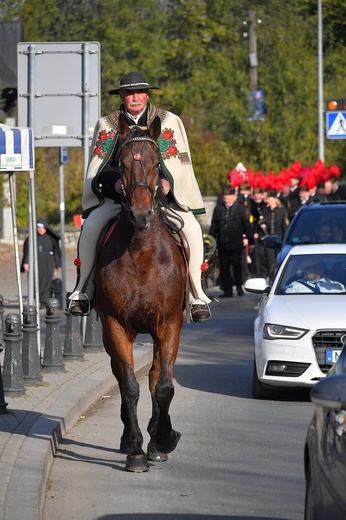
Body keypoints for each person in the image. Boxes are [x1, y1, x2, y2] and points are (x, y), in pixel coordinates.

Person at [66, 71, 211, 322]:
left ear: (147, 95)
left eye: (139, 92)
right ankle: (83, 290)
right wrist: (118, 184)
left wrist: (167, 182)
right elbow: (100, 168)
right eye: (129, 93)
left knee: (192, 229)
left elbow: (178, 164)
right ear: (121, 96)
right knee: (90, 227)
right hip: (119, 198)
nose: (135, 97)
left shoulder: (168, 121)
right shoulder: (107, 124)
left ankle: (197, 293)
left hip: (161, 200)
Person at [209, 186, 254, 298]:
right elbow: (214, 226)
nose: (226, 200)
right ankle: (227, 290)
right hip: (222, 243)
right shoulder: (218, 209)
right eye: (225, 198)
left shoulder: (240, 208)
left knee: (236, 265)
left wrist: (250, 240)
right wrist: (210, 241)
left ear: (234, 197)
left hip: (236, 243)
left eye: (228, 198)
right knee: (224, 267)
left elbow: (247, 225)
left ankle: (238, 287)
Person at [22, 218, 62, 308]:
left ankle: (45, 301)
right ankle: (38, 299)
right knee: (36, 282)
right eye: (38, 227)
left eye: (42, 228)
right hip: (35, 265)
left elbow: (57, 251)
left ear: (46, 228)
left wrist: (58, 265)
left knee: (47, 282)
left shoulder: (50, 238)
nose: (40, 229)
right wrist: (26, 262)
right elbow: (27, 251)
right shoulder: (31, 238)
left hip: (48, 264)